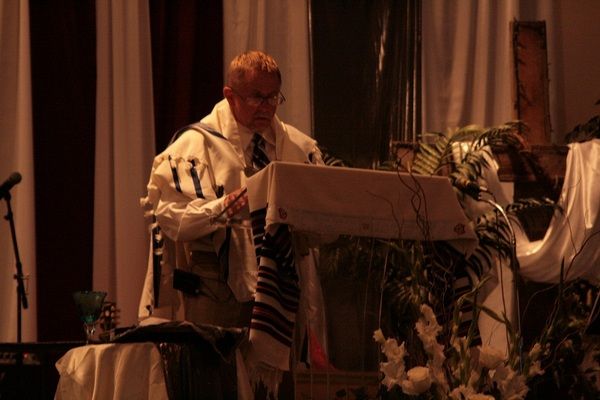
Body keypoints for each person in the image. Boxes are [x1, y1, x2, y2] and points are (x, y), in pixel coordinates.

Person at [139, 50, 326, 397]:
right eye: (256, 97)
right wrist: (223, 208)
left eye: (273, 97)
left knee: (274, 390)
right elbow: (171, 219)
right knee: (217, 387)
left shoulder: (299, 147)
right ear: (230, 95)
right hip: (216, 291)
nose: (266, 107)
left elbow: (322, 228)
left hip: (281, 291)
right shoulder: (194, 146)